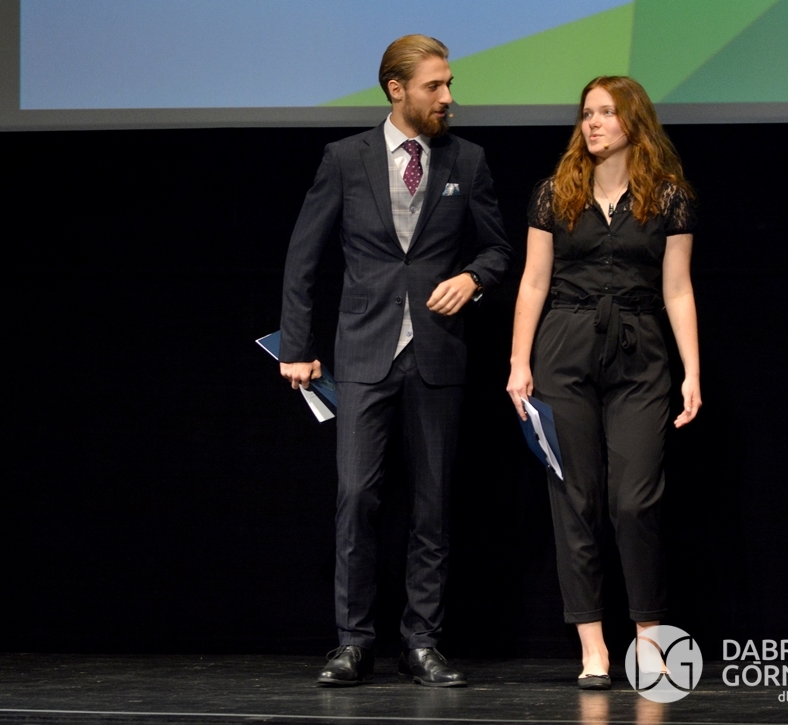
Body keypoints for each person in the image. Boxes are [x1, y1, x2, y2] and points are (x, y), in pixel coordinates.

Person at [279, 34, 511, 687]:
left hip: (437, 354)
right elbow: (303, 256)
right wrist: (297, 347)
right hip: (364, 351)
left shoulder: (468, 159)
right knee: (357, 497)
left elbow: (497, 249)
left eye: (449, 83)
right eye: (435, 85)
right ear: (396, 88)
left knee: (432, 505)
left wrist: (473, 278)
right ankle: (353, 642)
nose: (448, 96)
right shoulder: (344, 159)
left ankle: (422, 641)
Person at [506, 76, 701, 690]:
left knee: (635, 500)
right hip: (564, 344)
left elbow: (677, 288)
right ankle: (593, 647)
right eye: (587, 113)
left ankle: (649, 637)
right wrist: (518, 362)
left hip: (640, 349)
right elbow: (533, 281)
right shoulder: (554, 192)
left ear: (633, 121)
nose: (592, 123)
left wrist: (692, 371)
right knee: (576, 499)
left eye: (607, 112)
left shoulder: (669, 197)